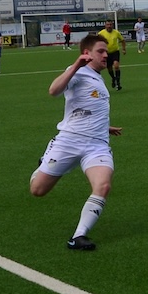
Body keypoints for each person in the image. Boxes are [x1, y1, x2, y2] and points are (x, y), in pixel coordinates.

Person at [30, 33, 124, 251]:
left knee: (103, 185)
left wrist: (105, 128)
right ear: (86, 53)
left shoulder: (98, 78)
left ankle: (79, 236)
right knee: (38, 190)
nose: (106, 55)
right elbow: (53, 90)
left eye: (106, 51)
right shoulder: (78, 72)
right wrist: (75, 65)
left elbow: (89, 109)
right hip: (69, 142)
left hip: (97, 145)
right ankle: (46, 157)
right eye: (100, 51)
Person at [95, 21, 126, 90]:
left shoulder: (116, 32)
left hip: (115, 52)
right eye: (107, 24)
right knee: (109, 68)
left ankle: (118, 83)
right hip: (106, 53)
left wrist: (124, 49)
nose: (109, 26)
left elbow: (122, 40)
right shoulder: (101, 33)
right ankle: (113, 78)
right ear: (105, 25)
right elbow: (96, 42)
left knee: (116, 66)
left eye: (110, 24)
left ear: (112, 25)